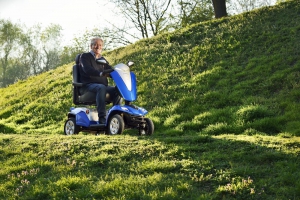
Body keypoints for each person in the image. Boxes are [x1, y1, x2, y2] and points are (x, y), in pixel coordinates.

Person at [79, 37, 121, 124]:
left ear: (102, 47)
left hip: (101, 86)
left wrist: (120, 73)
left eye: (100, 45)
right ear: (91, 46)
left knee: (118, 89)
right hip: (88, 86)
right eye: (95, 45)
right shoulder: (85, 56)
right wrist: (100, 73)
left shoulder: (102, 59)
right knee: (101, 88)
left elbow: (110, 69)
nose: (98, 47)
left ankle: (116, 116)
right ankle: (102, 118)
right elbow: (87, 69)